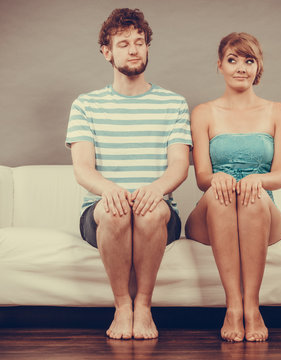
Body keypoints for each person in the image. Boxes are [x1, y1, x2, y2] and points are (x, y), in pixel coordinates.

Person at [65, 8, 192, 340]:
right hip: (101, 212)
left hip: (160, 212)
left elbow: (179, 167)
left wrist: (156, 189)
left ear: (147, 47)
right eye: (123, 44)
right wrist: (111, 190)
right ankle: (123, 307)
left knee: (151, 213)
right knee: (113, 210)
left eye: (139, 42)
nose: (134, 49)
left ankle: (144, 308)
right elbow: (83, 169)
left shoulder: (174, 103)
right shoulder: (85, 105)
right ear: (107, 52)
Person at [185, 32, 281, 342]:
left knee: (252, 196)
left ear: (258, 68)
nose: (241, 67)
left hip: (261, 206)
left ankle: (253, 308)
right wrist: (218, 178)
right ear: (220, 66)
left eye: (249, 60)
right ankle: (233, 307)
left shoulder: (277, 111)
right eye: (233, 60)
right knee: (220, 195)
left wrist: (256, 180)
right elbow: (202, 177)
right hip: (214, 207)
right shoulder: (203, 112)